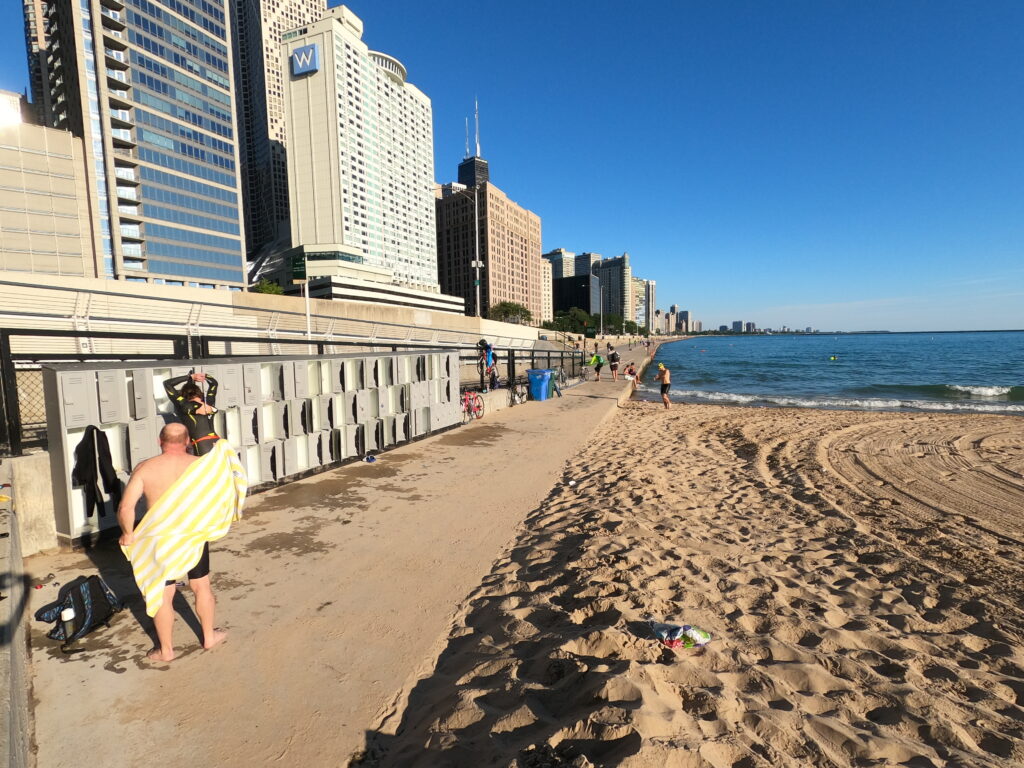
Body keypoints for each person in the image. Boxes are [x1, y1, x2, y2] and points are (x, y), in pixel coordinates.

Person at [117, 424, 231, 662]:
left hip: (160, 539)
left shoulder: (145, 468)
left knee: (162, 593)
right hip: (192, 535)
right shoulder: (200, 467)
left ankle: (166, 650)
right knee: (201, 586)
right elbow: (217, 498)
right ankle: (209, 637)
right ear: (188, 441)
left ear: (160, 441)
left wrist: (128, 534)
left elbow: (126, 507)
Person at [163, 372, 221, 455]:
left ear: (183, 394)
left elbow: (167, 384)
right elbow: (214, 384)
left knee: (202, 467)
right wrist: (205, 376)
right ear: (199, 392)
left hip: (201, 444)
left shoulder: (185, 405)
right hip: (217, 442)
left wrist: (189, 377)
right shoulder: (208, 402)